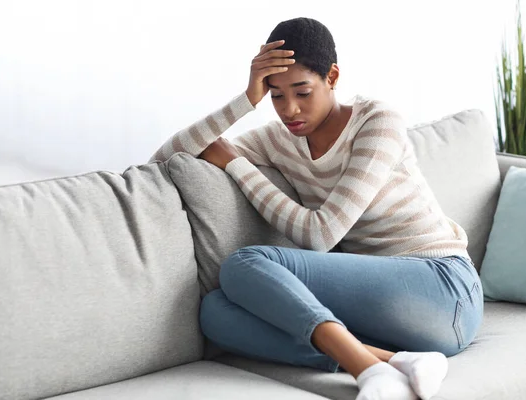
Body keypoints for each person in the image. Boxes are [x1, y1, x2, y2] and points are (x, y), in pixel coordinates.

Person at [149, 17, 483, 400]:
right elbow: (162, 160)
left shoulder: (377, 122)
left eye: (302, 92)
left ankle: (369, 370)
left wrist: (238, 166)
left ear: (332, 76)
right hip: (383, 314)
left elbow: (321, 235)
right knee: (216, 312)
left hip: (442, 288)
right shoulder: (277, 139)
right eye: (276, 95)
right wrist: (246, 100)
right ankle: (397, 361)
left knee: (243, 265)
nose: (290, 110)